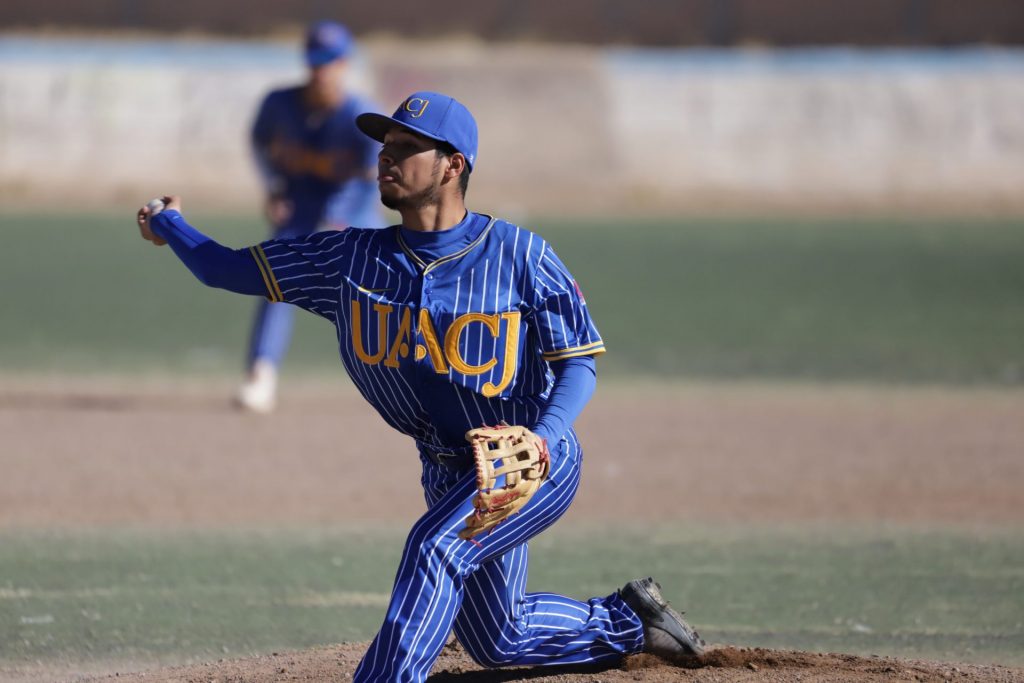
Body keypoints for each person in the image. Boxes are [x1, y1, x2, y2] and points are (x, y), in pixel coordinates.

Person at [136, 91, 704, 682]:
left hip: (533, 461)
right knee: (498, 638)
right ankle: (631, 622)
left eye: (407, 147)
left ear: (453, 165)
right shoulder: (350, 260)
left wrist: (544, 437)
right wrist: (168, 223)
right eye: (385, 145)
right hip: (446, 469)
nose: (387, 157)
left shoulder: (520, 255)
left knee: (435, 548)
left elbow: (578, 362)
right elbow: (224, 267)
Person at [239, 19, 385, 413]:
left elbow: (375, 176)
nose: (322, 69)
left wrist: (339, 217)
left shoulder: (361, 115)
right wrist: (274, 187)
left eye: (331, 60)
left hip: (353, 212)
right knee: (276, 280)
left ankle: (423, 373)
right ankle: (261, 373)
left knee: (392, 281)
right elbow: (258, 143)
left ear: (345, 64)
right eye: (316, 60)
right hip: (301, 207)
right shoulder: (279, 103)